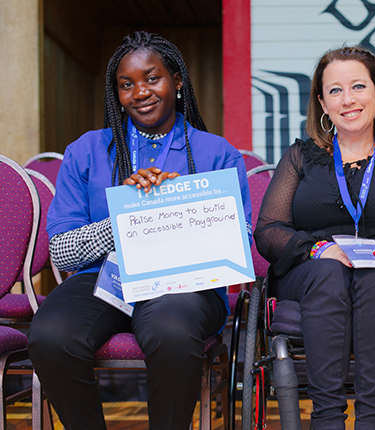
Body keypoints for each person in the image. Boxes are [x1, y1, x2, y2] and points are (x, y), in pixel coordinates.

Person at [27, 31, 251, 430]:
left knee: (171, 330)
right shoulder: (88, 150)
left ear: (178, 81)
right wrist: (127, 218)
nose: (140, 92)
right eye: (126, 84)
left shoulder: (216, 153)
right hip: (104, 278)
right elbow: (61, 251)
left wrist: (169, 208)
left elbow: (241, 244)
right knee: (51, 334)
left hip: (186, 284)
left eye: (152, 78)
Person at [254, 45, 375, 429]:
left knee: (374, 275)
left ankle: (372, 418)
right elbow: (268, 230)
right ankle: (327, 420)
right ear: (322, 103)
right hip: (312, 272)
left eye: (358, 86)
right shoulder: (300, 157)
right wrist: (320, 249)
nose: (348, 99)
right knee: (330, 274)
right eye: (335, 90)